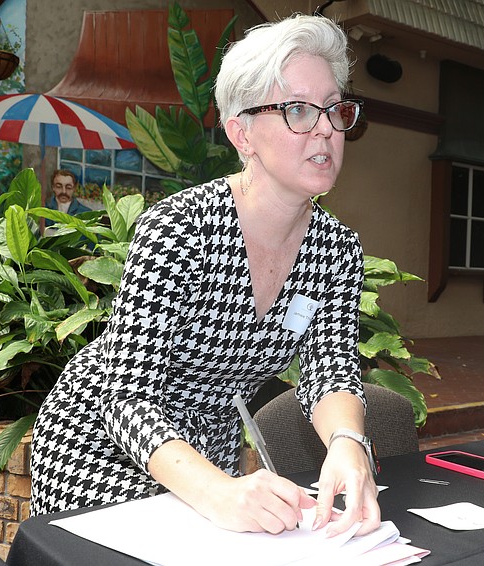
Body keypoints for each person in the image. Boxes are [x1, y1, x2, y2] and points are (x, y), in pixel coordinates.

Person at [30, 14, 380, 537]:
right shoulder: (178, 229)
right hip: (101, 441)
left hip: (208, 452)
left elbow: (330, 370)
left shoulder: (335, 249)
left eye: (334, 108)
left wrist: (350, 446)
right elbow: (127, 397)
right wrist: (217, 492)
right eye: (299, 110)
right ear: (242, 133)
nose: (327, 128)